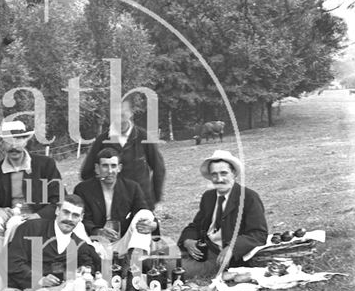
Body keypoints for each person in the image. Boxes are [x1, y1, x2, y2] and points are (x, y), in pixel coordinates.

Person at [177, 150, 268, 278]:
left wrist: (232, 247)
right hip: (202, 249)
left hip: (222, 257)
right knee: (158, 255)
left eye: (224, 173)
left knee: (175, 268)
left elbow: (259, 234)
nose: (219, 179)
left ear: (234, 173)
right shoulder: (209, 197)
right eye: (214, 174)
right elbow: (196, 225)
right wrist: (188, 241)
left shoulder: (249, 197)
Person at [0, 120, 64, 256]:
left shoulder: (45, 165)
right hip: (10, 216)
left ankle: (11, 266)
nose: (14, 146)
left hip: (37, 218)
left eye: (18, 140)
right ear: (2, 144)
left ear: (26, 141)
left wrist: (38, 215)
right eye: (8, 141)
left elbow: (59, 199)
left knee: (15, 223)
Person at [80, 98, 165, 211]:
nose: (119, 118)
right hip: (112, 206)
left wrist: (155, 198)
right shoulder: (102, 141)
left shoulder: (143, 137)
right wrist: (101, 194)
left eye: (122, 113)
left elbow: (159, 168)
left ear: (130, 113)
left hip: (141, 203)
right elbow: (86, 172)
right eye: (115, 113)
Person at [73, 147, 160, 258]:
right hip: (94, 244)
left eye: (113, 166)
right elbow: (82, 219)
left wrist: (154, 225)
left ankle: (135, 261)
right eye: (105, 166)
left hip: (123, 243)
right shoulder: (82, 190)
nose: (110, 171)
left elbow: (143, 211)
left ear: (119, 168)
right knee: (75, 222)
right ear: (97, 168)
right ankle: (91, 262)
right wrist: (98, 231)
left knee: (145, 214)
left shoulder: (132, 187)